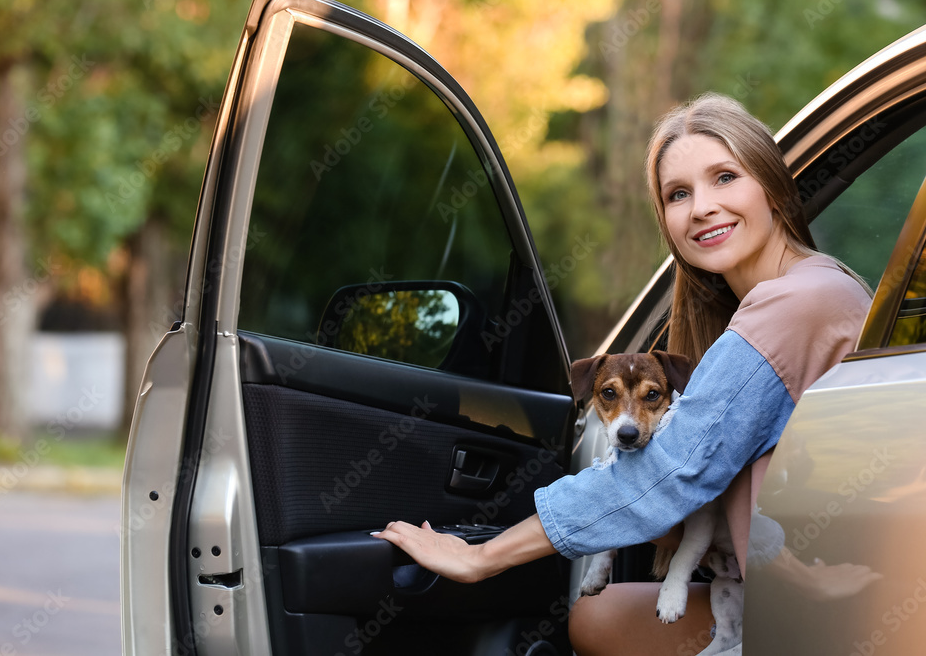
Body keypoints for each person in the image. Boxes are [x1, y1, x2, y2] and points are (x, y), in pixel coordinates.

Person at [373, 92, 879, 654]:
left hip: (821, 608)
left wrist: (480, 556)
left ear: (774, 187)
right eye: (678, 194)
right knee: (598, 618)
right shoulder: (819, 285)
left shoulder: (795, 305)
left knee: (595, 621)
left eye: (725, 178)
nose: (702, 207)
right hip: (797, 584)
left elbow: (672, 470)